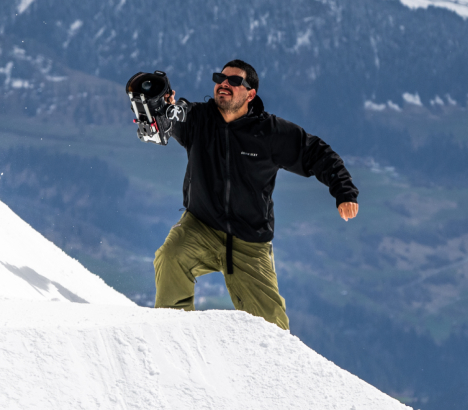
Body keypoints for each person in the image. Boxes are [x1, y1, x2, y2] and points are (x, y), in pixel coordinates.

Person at [149, 59, 358, 330]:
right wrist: (162, 108)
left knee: (273, 329)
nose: (224, 84)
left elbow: (316, 153)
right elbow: (168, 120)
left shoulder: (269, 132)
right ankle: (172, 333)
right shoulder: (198, 119)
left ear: (250, 94)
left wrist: (344, 191)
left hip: (249, 242)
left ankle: (283, 369)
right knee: (170, 256)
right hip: (200, 226)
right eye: (219, 78)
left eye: (234, 81)